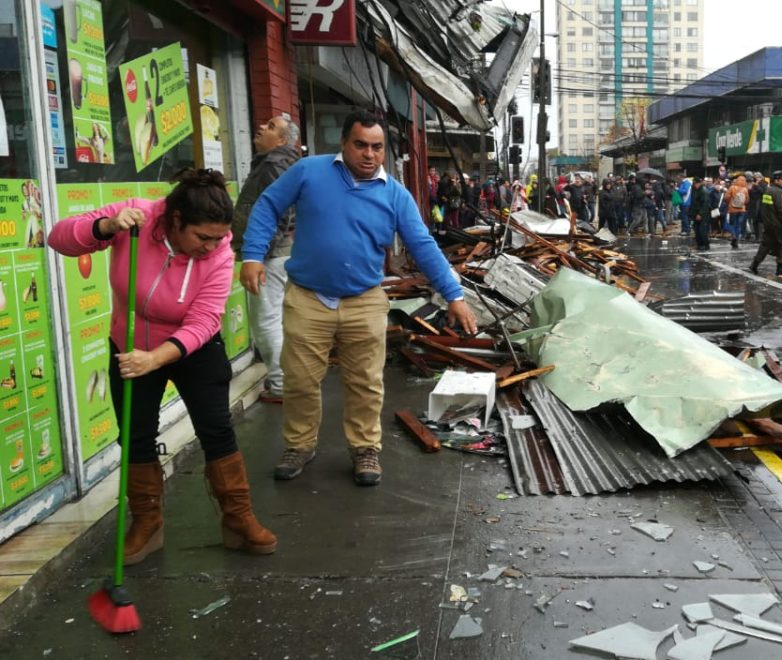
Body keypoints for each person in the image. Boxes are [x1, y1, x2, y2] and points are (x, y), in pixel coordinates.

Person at [49, 168, 276, 564]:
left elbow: (205, 320)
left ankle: (238, 519)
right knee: (136, 435)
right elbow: (59, 238)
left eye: (218, 238)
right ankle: (147, 522)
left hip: (193, 346)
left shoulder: (220, 253)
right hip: (131, 340)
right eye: (202, 237)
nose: (211, 247)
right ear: (175, 221)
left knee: (216, 429)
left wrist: (155, 358)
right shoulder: (136, 218)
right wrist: (105, 225)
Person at [243, 110, 477, 485]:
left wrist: (454, 295)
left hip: (364, 299)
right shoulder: (309, 172)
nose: (369, 154)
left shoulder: (395, 195)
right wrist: (253, 255)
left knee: (366, 382)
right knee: (300, 380)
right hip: (308, 297)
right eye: (361, 145)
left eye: (377, 147)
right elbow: (268, 205)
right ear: (344, 144)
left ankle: (365, 449)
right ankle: (299, 445)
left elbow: (422, 245)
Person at [230, 115, 301, 404]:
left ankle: (282, 385)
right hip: (278, 253)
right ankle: (287, 380)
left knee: (266, 321)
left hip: (270, 257)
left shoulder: (274, 165)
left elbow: (282, 212)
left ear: (282, 140)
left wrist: (257, 254)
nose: (260, 126)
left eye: (270, 127)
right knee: (278, 320)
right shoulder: (278, 162)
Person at [749, 171, 782, 277]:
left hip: (768, 223)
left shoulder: (768, 190)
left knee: (765, 245)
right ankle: (780, 268)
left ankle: (754, 264)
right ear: (777, 180)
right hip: (777, 224)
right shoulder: (778, 192)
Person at [725, 174, 749, 249]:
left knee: (731, 224)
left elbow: (726, 197)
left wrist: (730, 203)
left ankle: (734, 236)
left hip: (732, 209)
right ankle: (737, 240)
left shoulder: (732, 187)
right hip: (742, 210)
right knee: (738, 225)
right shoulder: (745, 189)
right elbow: (747, 200)